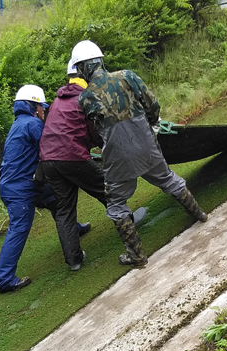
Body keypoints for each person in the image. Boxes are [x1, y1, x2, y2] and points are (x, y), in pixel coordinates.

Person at [73, 40, 208, 266]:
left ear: (83, 68)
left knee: (116, 204)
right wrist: (152, 125)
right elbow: (153, 104)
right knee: (168, 179)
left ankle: (137, 255)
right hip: (146, 142)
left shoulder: (84, 98)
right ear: (100, 61)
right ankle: (200, 215)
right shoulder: (127, 75)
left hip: (117, 155)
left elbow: (97, 128)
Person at [40, 59, 146, 271]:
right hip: (72, 156)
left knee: (64, 210)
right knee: (108, 191)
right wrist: (114, 147)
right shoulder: (84, 98)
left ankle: (74, 260)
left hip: (48, 161)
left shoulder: (57, 101)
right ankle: (130, 223)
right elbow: (96, 130)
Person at [0, 84, 89, 293]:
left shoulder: (19, 124)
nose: (44, 111)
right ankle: (4, 279)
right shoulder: (32, 124)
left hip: (26, 183)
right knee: (19, 228)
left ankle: (75, 230)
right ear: (32, 106)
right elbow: (52, 148)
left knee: (57, 201)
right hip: (20, 189)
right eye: (41, 107)